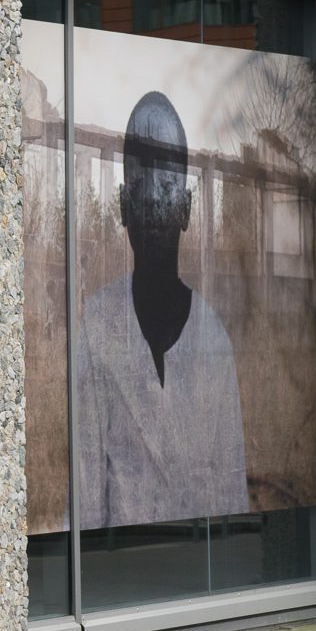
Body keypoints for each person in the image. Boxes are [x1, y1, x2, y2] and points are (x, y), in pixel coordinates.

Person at [75, 91, 247, 529]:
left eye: (168, 185)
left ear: (187, 207)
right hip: (120, 573)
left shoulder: (213, 338)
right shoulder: (97, 328)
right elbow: (85, 498)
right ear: (122, 205)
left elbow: (232, 495)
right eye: (139, 183)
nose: (152, 198)